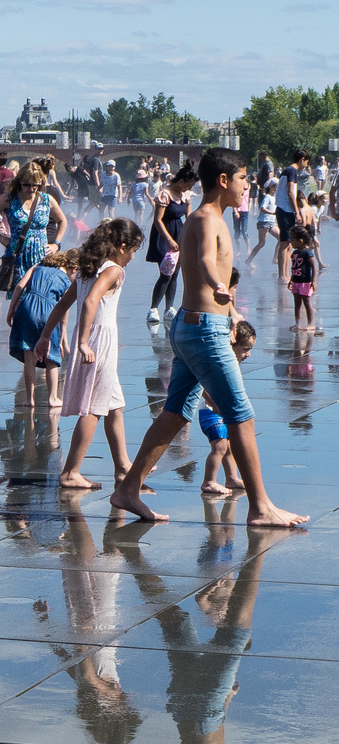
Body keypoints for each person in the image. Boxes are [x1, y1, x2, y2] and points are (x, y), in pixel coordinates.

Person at [110, 147, 308, 528]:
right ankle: (260, 507)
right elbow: (202, 260)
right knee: (241, 415)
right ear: (223, 181)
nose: (247, 186)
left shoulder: (212, 217)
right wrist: (219, 285)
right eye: (243, 179)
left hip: (197, 325)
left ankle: (128, 489)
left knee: (174, 414)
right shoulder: (205, 218)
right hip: (202, 330)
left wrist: (231, 312)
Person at [35, 219, 146, 488]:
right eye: (133, 251)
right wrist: (83, 342)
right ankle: (71, 472)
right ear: (122, 247)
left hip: (93, 338)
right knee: (94, 409)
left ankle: (122, 467)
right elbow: (90, 301)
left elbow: (64, 302)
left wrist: (45, 335)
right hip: (98, 342)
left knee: (114, 406)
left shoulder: (89, 268)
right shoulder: (114, 270)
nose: (132, 257)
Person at [0, 161, 67, 298]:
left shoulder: (46, 200)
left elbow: (62, 221)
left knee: (40, 296)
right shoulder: (10, 200)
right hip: (18, 256)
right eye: (27, 184)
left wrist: (56, 243)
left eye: (35, 185)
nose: (31, 188)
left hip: (41, 255)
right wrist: (1, 238)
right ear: (20, 182)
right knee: (19, 298)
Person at [8, 248, 77, 409]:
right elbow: (64, 308)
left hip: (25, 308)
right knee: (51, 357)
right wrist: (61, 336)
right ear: (73, 267)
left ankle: (29, 398)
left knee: (28, 356)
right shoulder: (66, 280)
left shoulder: (37, 266)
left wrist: (12, 309)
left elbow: (19, 286)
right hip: (48, 312)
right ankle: (53, 398)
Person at [199, 319, 256, 495]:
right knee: (220, 446)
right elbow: (202, 387)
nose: (248, 355)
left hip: (223, 410)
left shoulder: (231, 363)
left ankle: (231, 477)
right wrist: (216, 405)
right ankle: (209, 481)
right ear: (232, 346)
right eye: (245, 350)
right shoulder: (218, 363)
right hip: (211, 412)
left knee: (229, 447)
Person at [146, 164, 197, 325]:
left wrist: (190, 235)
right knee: (166, 272)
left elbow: (189, 216)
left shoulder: (185, 195)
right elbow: (157, 220)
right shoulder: (165, 194)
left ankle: (169, 308)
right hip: (163, 234)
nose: (188, 188)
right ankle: (153, 308)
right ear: (181, 181)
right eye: (188, 185)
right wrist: (168, 239)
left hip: (179, 232)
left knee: (175, 272)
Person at [274, 148, 309, 282]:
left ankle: (285, 274)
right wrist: (297, 211)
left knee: (288, 243)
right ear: (302, 159)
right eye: (306, 162)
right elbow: (290, 192)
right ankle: (281, 275)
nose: (306, 166)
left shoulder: (287, 170)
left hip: (284, 209)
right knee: (284, 243)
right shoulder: (292, 171)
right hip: (285, 210)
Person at [288, 225, 317, 332]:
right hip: (296, 281)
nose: (291, 242)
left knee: (307, 302)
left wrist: (313, 281)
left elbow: (314, 267)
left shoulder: (307, 253)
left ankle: (311, 323)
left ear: (300, 241)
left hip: (305, 282)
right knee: (297, 303)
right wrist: (291, 280)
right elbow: (294, 267)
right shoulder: (295, 253)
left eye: (292, 240)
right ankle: (297, 323)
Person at [247, 177, 279, 267]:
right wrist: (272, 213)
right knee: (261, 243)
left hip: (272, 223)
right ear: (271, 187)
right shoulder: (267, 197)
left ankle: (275, 259)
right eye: (276, 187)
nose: (277, 189)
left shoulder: (275, 197)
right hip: (264, 222)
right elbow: (262, 208)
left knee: (281, 239)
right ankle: (249, 260)